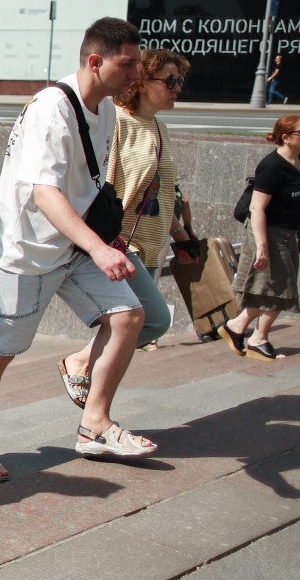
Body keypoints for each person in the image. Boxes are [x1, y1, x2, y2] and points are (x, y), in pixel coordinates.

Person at [0, 17, 155, 483]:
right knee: (1, 348)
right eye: (127, 65)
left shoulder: (103, 109)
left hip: (74, 245)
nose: (135, 76)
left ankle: (95, 424)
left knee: (128, 315)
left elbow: (84, 185)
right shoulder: (52, 108)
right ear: (94, 60)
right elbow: (46, 192)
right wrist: (101, 249)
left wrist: (103, 240)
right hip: (23, 252)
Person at [59, 49, 193, 393]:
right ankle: (81, 363)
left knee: (130, 325)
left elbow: (161, 191)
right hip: (122, 242)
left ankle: (95, 409)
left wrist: (180, 234)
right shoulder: (117, 121)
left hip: (150, 243)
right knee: (152, 321)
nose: (178, 87)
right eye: (170, 80)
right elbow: (104, 183)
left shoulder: (159, 126)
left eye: (180, 80)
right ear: (142, 82)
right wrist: (100, 242)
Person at [219, 115, 300, 361]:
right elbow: (256, 208)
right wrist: (262, 246)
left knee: (273, 288)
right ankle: (256, 337)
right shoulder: (272, 166)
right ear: (286, 138)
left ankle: (239, 328)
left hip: (287, 234)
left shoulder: (298, 162)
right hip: (268, 232)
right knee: (281, 288)